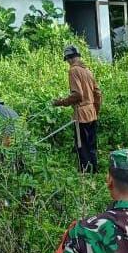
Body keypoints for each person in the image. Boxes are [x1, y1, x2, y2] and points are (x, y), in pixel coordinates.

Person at [53, 45, 102, 173]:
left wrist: (60, 102)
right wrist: (95, 110)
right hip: (91, 113)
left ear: (69, 58)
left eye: (67, 60)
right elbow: (98, 93)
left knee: (82, 147)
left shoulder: (74, 70)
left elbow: (78, 95)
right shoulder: (87, 71)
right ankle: (94, 172)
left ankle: (85, 175)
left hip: (81, 116)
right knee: (91, 146)